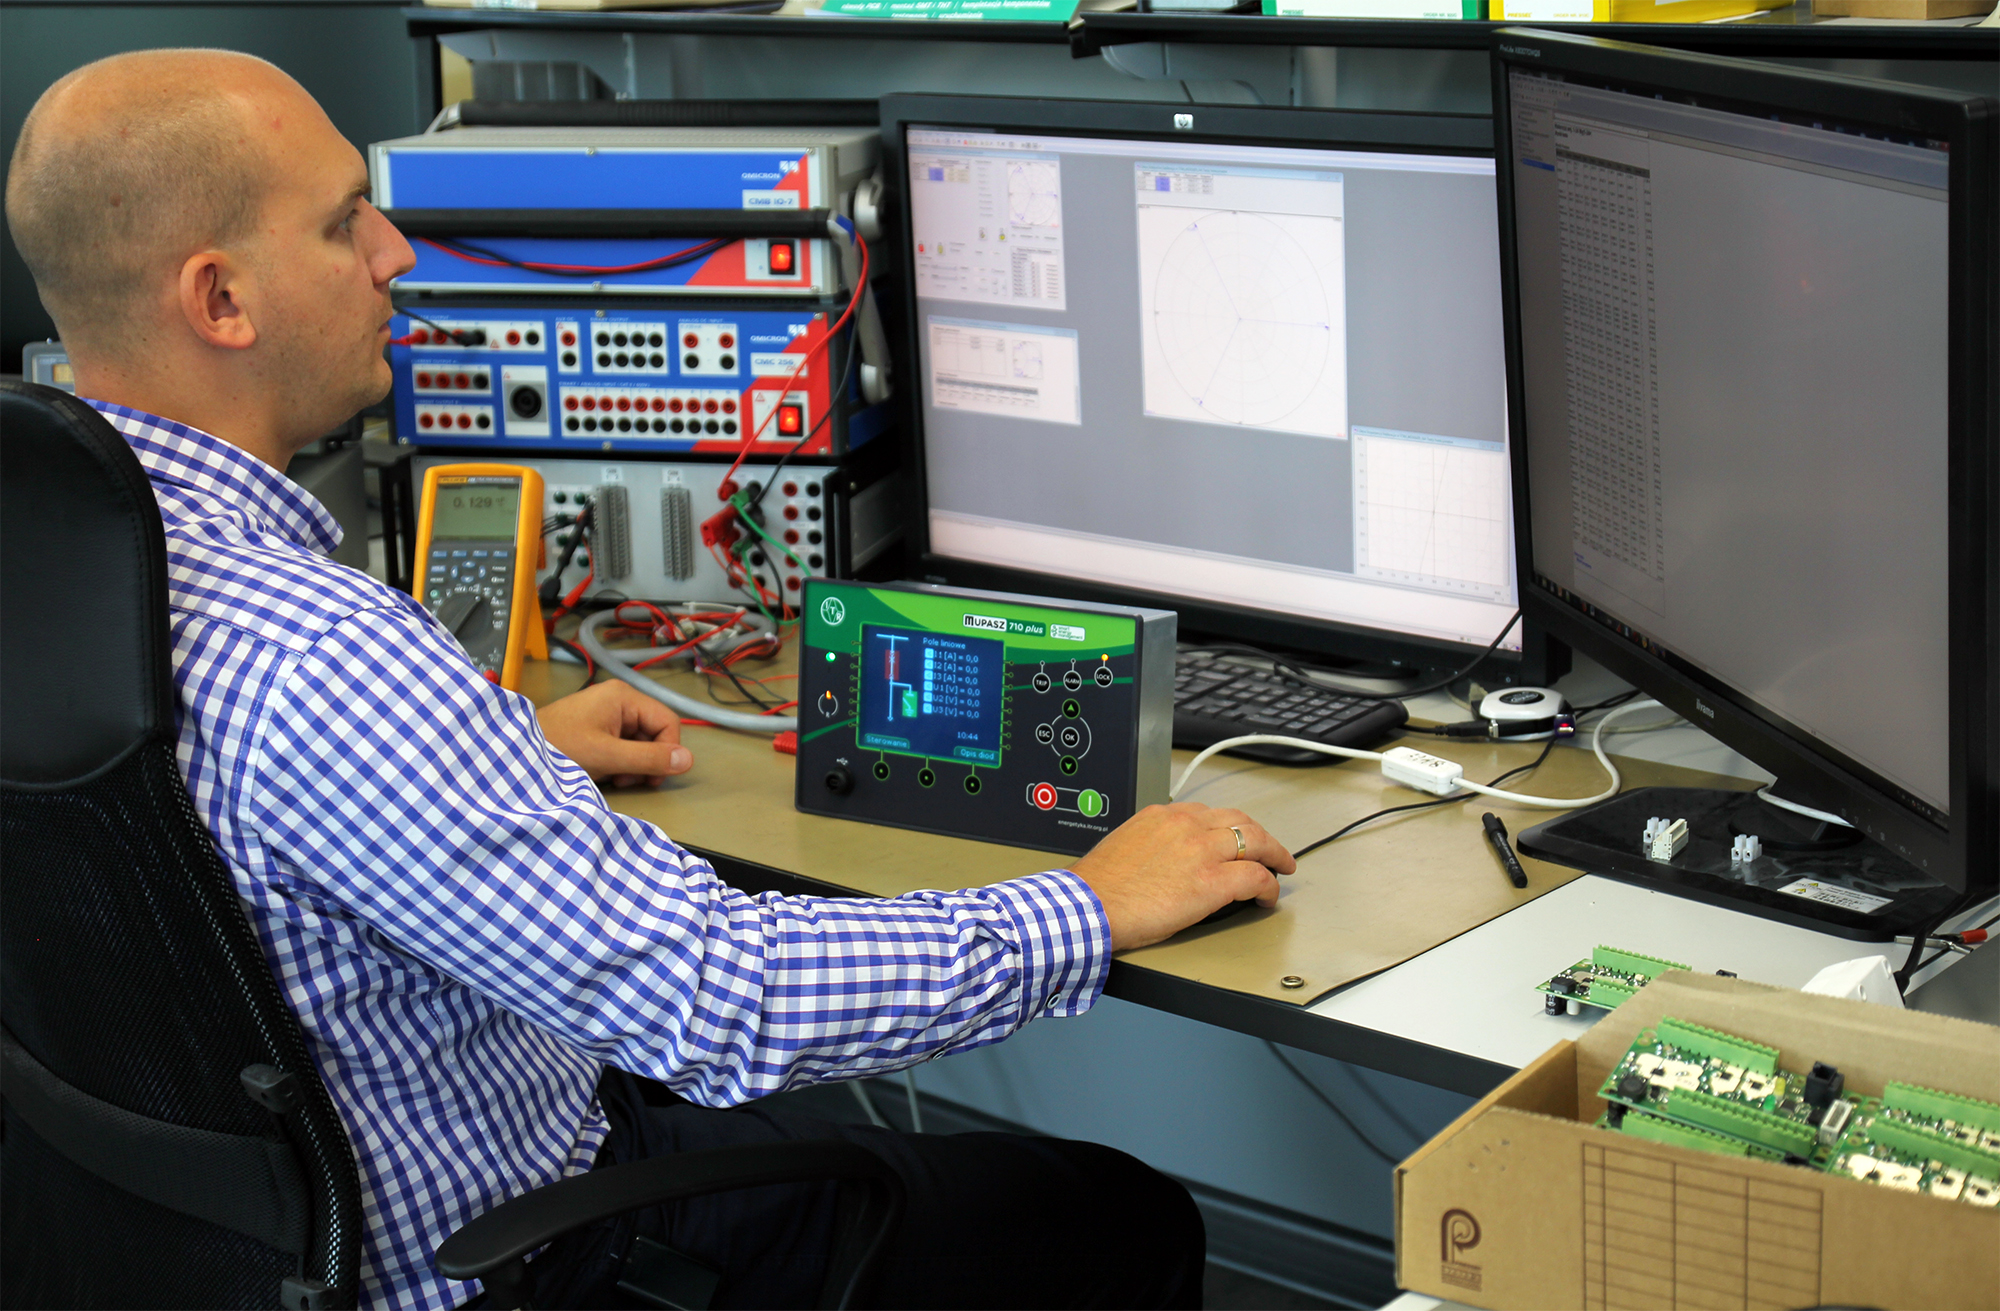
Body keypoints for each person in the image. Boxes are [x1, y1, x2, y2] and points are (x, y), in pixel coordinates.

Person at [5, 49, 1296, 1311]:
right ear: (221, 299)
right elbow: (721, 1003)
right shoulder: (323, 660)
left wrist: (488, 765)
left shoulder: (48, 566)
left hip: (191, 1248)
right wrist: (1090, 904)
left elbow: (201, 839)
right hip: (503, 1259)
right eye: (347, 222)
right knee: (1115, 1218)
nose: (396, 255)